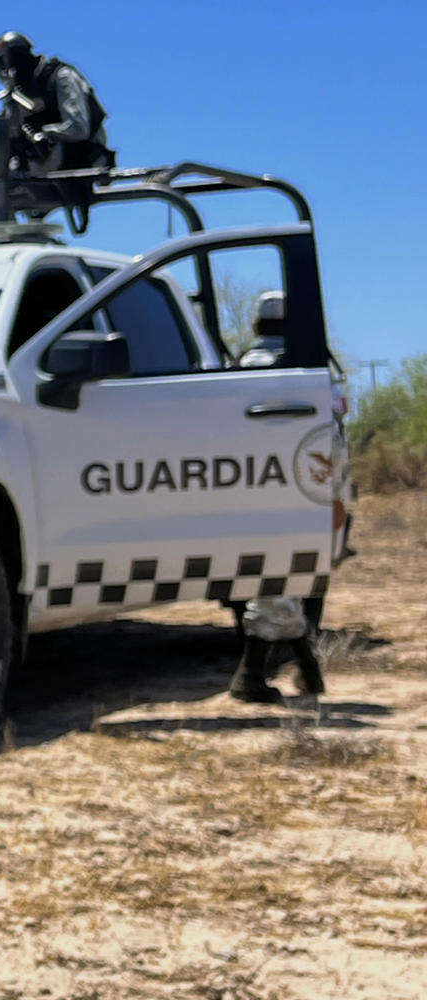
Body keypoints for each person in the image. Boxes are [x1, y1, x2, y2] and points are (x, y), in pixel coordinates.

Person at [228, 289, 326, 703]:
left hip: (251, 489)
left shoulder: (239, 369)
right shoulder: (299, 370)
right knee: (283, 585)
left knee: (280, 585)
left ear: (255, 326)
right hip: (292, 490)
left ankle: (308, 674)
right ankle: (252, 678)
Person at [0, 32, 114, 182]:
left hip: (84, 155)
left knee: (38, 141)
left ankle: (12, 179)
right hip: (45, 160)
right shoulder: (23, 92)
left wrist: (45, 133)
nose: (3, 79)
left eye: (3, 71)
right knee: (3, 122)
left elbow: (79, 128)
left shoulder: (61, 77)